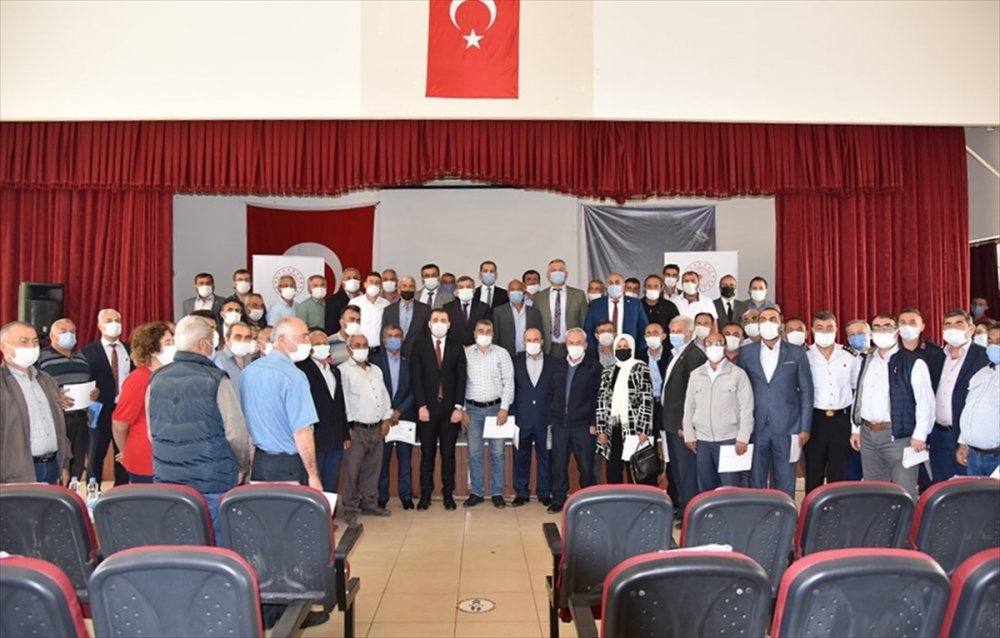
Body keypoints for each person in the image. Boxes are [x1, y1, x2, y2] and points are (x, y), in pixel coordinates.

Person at [148, 315, 251, 533]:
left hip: (168, 481)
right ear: (204, 344)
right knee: (215, 545)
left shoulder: (156, 379)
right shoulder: (216, 379)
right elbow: (236, 435)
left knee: (179, 542)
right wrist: (242, 466)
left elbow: (152, 434)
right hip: (212, 481)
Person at [850, 313, 935, 498]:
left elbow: (925, 402)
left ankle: (907, 519)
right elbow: (860, 395)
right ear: (871, 333)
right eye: (877, 327)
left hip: (899, 436)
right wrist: (856, 429)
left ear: (896, 331)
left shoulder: (913, 362)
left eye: (887, 327)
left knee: (904, 492)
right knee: (874, 491)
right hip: (868, 434)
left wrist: (920, 435)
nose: (882, 331)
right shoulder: (867, 360)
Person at [239, 317, 322, 489]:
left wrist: (250, 463)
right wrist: (313, 475)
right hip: (288, 464)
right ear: (282, 340)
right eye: (303, 337)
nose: (308, 342)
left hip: (261, 462)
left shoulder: (248, 372)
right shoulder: (294, 376)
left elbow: (247, 426)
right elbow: (302, 431)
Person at [740, 308, 813, 497]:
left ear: (781, 325)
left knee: (785, 479)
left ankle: (785, 514)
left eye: (772, 319)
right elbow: (741, 392)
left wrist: (804, 427)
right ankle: (758, 513)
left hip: (788, 427)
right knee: (756, 479)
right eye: (763, 319)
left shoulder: (796, 353)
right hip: (756, 427)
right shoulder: (746, 353)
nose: (767, 323)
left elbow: (806, 391)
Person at [0, 321, 71, 484]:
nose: (32, 347)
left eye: (35, 341)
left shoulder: (47, 380)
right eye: (24, 342)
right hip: (15, 472)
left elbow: (59, 427)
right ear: (4, 347)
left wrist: (64, 463)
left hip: (53, 466)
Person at [410, 308, 467, 510]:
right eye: (436, 319)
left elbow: (462, 378)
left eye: (443, 320)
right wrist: (421, 406)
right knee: (427, 455)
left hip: (450, 411)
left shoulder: (456, 347)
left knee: (448, 455)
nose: (439, 323)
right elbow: (416, 378)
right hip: (427, 410)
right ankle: (425, 495)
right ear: (429, 323)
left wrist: (459, 407)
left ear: (449, 324)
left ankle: (448, 495)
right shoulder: (419, 346)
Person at [683, 332, 754, 493]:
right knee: (706, 489)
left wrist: (743, 437)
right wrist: (689, 435)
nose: (713, 348)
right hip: (703, 441)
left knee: (730, 489)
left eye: (718, 343)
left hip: (729, 440)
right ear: (704, 347)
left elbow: (746, 407)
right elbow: (689, 406)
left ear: (725, 346)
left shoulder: (738, 374)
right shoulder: (696, 374)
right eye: (709, 344)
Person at [929, 309, 989, 483]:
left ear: (971, 329)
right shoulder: (937, 356)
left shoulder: (983, 356)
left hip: (964, 436)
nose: (953, 328)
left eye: (959, 324)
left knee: (964, 489)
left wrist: (966, 440)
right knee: (940, 486)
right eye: (948, 325)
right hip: (938, 433)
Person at [803, 311, 860, 493]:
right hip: (814, 420)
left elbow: (857, 389)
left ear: (836, 330)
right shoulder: (804, 355)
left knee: (839, 471)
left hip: (841, 420)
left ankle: (837, 509)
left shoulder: (849, 355)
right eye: (819, 328)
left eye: (829, 328)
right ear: (812, 330)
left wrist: (855, 428)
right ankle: (811, 508)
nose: (824, 332)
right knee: (813, 471)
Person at [461, 319, 515, 508]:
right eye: (480, 331)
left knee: (497, 453)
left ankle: (497, 493)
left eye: (488, 331)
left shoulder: (502, 353)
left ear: (493, 334)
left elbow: (509, 381)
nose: (484, 334)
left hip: (496, 410)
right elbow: (460, 382)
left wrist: (504, 408)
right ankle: (476, 492)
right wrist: (462, 409)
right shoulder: (466, 354)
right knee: (474, 453)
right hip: (472, 410)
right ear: (474, 333)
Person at [112, 322, 174, 483]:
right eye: (168, 342)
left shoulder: (170, 375)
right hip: (145, 459)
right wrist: (125, 451)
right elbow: (119, 423)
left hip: (170, 456)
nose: (174, 346)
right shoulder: (139, 378)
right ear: (153, 349)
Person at [338, 334, 392, 521]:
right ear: (349, 349)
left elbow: (384, 395)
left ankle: (370, 503)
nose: (361, 348)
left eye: (364, 345)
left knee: (372, 469)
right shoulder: (343, 371)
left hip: (376, 428)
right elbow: (342, 401)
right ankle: (350, 507)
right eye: (357, 345)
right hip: (356, 429)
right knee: (352, 470)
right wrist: (347, 427)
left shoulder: (375, 370)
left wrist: (386, 419)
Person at [547, 328, 602, 513]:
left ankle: (588, 499)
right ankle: (559, 499)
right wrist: (552, 417)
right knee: (558, 465)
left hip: (584, 426)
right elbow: (550, 393)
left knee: (586, 466)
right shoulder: (557, 366)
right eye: (571, 343)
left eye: (578, 343)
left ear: (585, 345)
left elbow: (599, 397)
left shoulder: (594, 367)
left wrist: (594, 422)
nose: (575, 346)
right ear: (566, 345)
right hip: (560, 424)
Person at [37, 318, 99, 481]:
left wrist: (94, 393)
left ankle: (74, 489)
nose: (69, 335)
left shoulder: (81, 357)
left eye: (72, 331)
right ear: (52, 336)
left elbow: (88, 381)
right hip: (56, 418)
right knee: (60, 462)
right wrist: (54, 395)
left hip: (81, 417)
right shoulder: (41, 357)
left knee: (77, 461)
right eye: (63, 331)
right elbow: (34, 386)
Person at [660, 315, 707, 516]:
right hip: (671, 423)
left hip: (682, 425)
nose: (674, 335)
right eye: (672, 331)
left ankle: (691, 512)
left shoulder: (694, 355)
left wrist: (686, 424)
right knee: (678, 471)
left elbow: (695, 394)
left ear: (690, 333)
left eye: (679, 331)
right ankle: (683, 508)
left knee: (687, 472)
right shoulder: (676, 353)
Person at [295, 329, 351, 494]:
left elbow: (339, 404)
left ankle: (329, 510)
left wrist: (345, 433)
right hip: (315, 436)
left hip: (334, 436)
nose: (323, 346)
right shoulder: (302, 370)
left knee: (331, 480)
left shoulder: (334, 370)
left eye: (325, 343)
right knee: (313, 482)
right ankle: (313, 511)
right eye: (318, 344)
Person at [81, 308, 131, 486]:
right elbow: (84, 378)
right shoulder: (88, 351)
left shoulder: (130, 349)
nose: (114, 324)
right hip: (99, 408)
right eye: (109, 321)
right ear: (99, 326)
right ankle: (93, 488)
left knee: (124, 453)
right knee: (96, 451)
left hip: (125, 408)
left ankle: (122, 489)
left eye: (117, 320)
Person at [595, 334, 654, 484]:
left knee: (634, 469)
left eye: (625, 346)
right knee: (613, 469)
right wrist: (601, 429)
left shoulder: (640, 367)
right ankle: (617, 497)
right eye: (619, 347)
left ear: (632, 348)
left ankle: (637, 497)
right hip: (613, 426)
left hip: (634, 428)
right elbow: (602, 400)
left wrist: (644, 430)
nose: (622, 350)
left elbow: (646, 399)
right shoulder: (608, 371)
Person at [372, 325, 416, 509]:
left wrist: (399, 410)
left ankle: (406, 496)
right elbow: (375, 390)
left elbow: (414, 389)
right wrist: (388, 412)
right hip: (383, 418)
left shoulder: (410, 361)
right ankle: (382, 496)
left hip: (405, 416)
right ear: (383, 340)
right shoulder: (375, 362)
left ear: (402, 339)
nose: (394, 339)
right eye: (390, 336)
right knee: (383, 460)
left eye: (397, 336)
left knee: (405, 460)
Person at [511, 328, 555, 507]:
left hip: (545, 418)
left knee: (546, 456)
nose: (532, 343)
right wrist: (512, 415)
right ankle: (522, 492)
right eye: (528, 340)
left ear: (542, 341)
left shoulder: (553, 362)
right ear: (524, 342)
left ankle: (544, 492)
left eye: (536, 339)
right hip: (522, 418)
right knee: (521, 456)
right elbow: (511, 389)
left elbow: (556, 390)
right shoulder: (515, 362)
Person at [956, 323, 1000, 476]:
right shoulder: (981, 374)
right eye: (990, 341)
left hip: (996, 458)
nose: (993, 346)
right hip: (973, 456)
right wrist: (963, 443)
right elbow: (970, 409)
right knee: (975, 493)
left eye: (999, 341)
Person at [535, 259, 588, 356]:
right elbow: (536, 324)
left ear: (566, 274)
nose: (557, 273)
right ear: (548, 275)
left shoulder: (578, 295)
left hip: (573, 346)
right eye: (553, 270)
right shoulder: (540, 297)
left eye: (560, 270)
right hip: (549, 347)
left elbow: (584, 322)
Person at [584, 272, 649, 349]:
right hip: (602, 351)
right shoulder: (596, 304)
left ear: (623, 286)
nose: (613, 285)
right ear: (606, 286)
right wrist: (593, 350)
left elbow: (644, 329)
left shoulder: (635, 304)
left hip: (628, 350)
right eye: (610, 283)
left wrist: (639, 350)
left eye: (617, 282)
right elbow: (588, 329)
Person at [492, 279, 543, 358]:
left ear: (524, 292)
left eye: (519, 289)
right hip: (505, 355)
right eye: (512, 290)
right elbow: (495, 337)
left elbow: (539, 335)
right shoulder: (498, 311)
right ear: (508, 293)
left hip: (528, 355)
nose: (516, 292)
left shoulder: (534, 312)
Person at [382, 275, 431, 356]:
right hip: (394, 354)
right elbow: (383, 335)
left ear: (415, 290)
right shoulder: (389, 310)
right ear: (398, 290)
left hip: (418, 355)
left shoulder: (425, 310)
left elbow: (428, 335)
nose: (408, 289)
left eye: (411, 286)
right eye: (404, 286)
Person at [897, 307, 945, 390]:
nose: (907, 327)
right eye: (903, 323)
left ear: (922, 327)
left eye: (912, 323)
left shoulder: (935, 353)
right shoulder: (891, 351)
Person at [348, 272, 390, 353]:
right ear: (365, 284)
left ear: (380, 286)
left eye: (377, 283)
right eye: (371, 282)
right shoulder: (355, 302)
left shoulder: (386, 304)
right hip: (360, 349)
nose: (374, 285)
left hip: (380, 350)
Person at [444, 275, 491, 347]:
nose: (465, 289)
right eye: (461, 287)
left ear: (474, 290)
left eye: (468, 287)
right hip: (454, 348)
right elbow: (447, 331)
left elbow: (487, 329)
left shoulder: (483, 307)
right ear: (456, 291)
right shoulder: (448, 308)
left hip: (477, 348)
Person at [323, 266, 363, 334]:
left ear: (360, 281)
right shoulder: (333, 301)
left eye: (355, 278)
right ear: (343, 282)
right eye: (348, 278)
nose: (352, 280)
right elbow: (331, 327)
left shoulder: (366, 298)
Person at [217, 321, 254, 389]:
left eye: (247, 338)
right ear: (227, 340)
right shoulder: (216, 359)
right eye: (238, 337)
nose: (243, 341)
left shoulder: (250, 360)